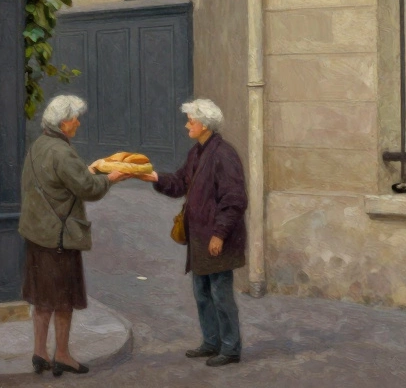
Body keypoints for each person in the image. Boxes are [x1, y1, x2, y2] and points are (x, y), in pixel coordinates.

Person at [19, 95, 132, 377]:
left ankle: (39, 352)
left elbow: (59, 181)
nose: (78, 123)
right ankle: (63, 354)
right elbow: (88, 189)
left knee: (42, 298)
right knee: (63, 300)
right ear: (64, 122)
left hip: (37, 236)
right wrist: (110, 179)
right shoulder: (63, 152)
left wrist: (89, 170)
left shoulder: (38, 146)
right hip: (59, 239)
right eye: (75, 118)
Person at [143, 98, 247, 367]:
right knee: (202, 293)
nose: (187, 124)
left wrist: (219, 234)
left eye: (191, 120)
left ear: (205, 124)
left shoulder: (224, 154)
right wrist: (154, 177)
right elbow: (178, 183)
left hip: (216, 238)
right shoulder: (197, 152)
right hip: (200, 238)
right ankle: (211, 343)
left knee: (221, 295)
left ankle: (230, 348)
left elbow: (234, 200)